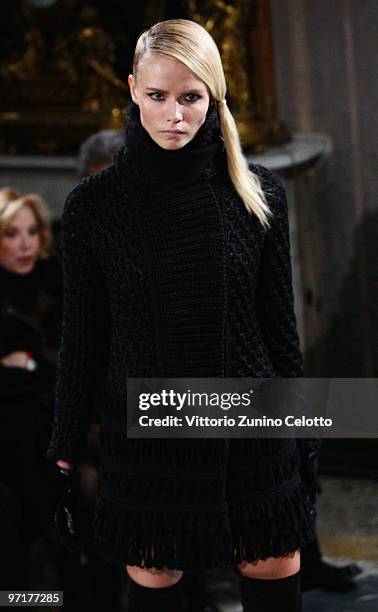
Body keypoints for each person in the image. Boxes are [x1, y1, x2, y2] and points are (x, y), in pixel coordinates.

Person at [46, 19, 321, 612]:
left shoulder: (258, 193)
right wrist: (67, 441)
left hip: (252, 417)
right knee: (157, 577)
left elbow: (278, 325)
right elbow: (84, 338)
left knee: (273, 563)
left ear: (213, 97)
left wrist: (304, 426)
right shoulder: (95, 207)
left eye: (191, 97)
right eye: (158, 96)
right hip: (149, 427)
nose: (174, 114)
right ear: (132, 89)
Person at [0, 187, 62, 587]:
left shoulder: (57, 281)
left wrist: (33, 363)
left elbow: (76, 362)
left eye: (32, 231)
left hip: (57, 418)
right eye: (10, 234)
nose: (24, 244)